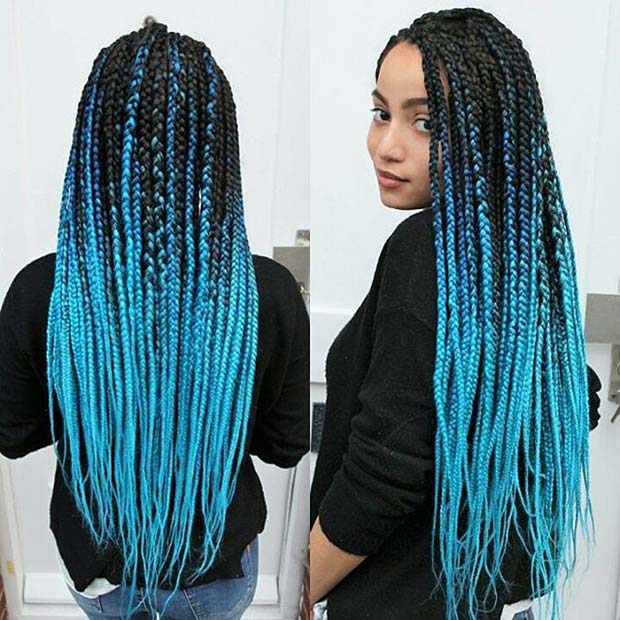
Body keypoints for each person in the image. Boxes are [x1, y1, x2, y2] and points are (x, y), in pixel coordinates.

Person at [0, 19, 309, 620]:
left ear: (93, 145)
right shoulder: (266, 293)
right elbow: (285, 445)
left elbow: (14, 434)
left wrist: (103, 406)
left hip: (100, 569)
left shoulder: (43, 291)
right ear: (218, 151)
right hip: (216, 569)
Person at [309, 8, 602, 620]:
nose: (386, 146)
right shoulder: (524, 252)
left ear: (487, 131)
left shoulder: (426, 250)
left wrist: (302, 588)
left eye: (424, 123)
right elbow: (579, 393)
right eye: (381, 113)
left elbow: (383, 473)